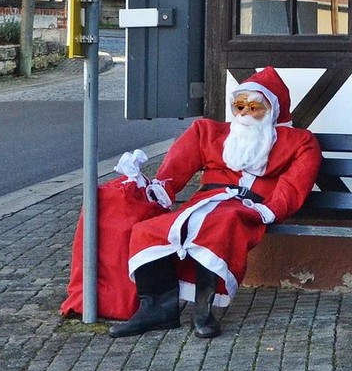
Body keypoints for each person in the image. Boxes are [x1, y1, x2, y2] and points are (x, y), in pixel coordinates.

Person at [109, 66, 322, 339]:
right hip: (203, 201)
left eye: (254, 107)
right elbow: (177, 165)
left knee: (218, 227)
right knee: (148, 230)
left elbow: (295, 184)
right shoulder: (209, 132)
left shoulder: (300, 142)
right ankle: (157, 309)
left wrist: (271, 209)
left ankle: (203, 310)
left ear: (272, 110)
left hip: (247, 208)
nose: (244, 114)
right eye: (239, 106)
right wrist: (162, 187)